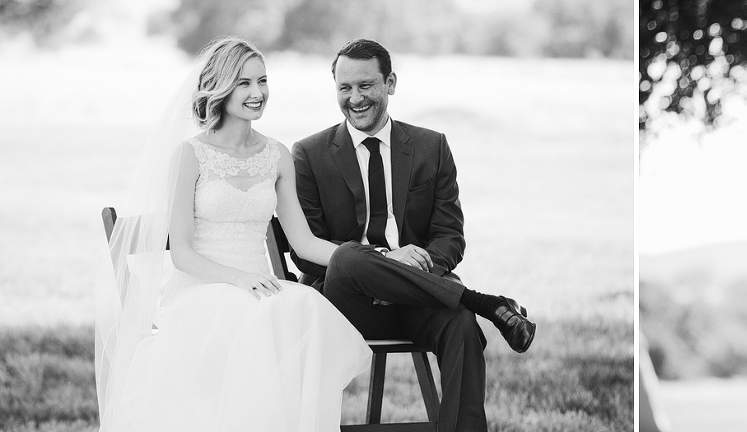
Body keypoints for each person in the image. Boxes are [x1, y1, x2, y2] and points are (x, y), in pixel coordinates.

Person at [94, 36, 371, 432]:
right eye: (244, 83)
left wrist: (364, 257)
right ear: (220, 88)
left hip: (260, 288)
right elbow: (183, 253)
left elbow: (303, 242)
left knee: (305, 305)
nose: (258, 93)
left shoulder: (277, 155)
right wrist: (240, 279)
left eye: (262, 81)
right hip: (201, 288)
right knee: (256, 317)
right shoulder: (189, 155)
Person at [291, 39, 535, 432]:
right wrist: (386, 260)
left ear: (390, 83)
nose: (355, 98)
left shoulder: (430, 147)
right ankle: (488, 303)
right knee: (349, 256)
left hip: (418, 301)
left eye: (366, 85)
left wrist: (414, 266)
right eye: (344, 88)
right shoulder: (308, 153)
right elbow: (306, 253)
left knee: (461, 326)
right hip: (346, 307)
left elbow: (449, 236)